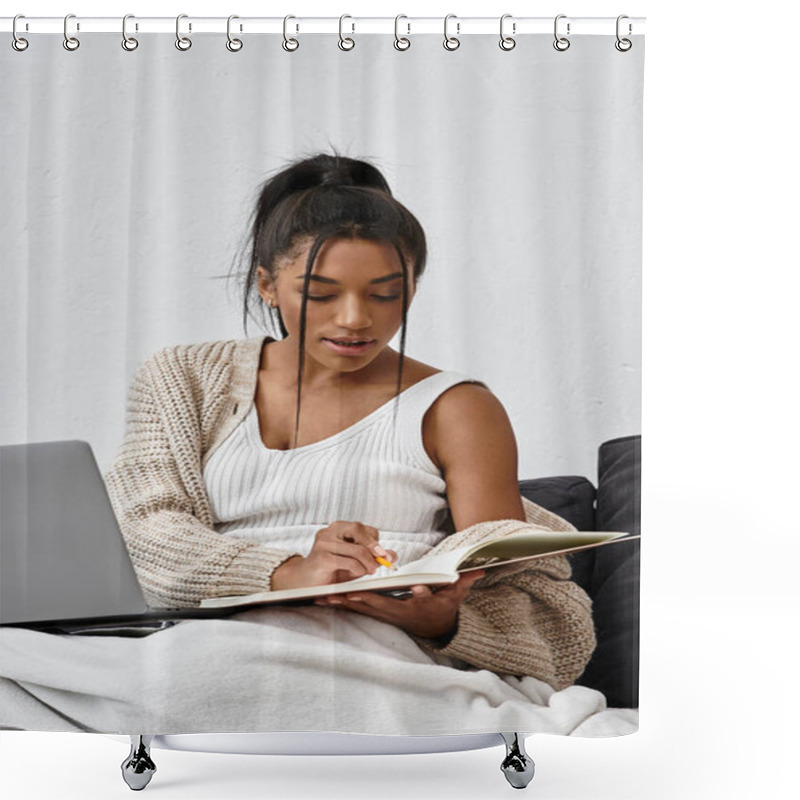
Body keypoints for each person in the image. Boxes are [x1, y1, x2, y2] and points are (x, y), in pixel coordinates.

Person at [1, 153, 599, 735]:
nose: (354, 319)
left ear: (412, 288)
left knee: (197, 677)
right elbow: (143, 532)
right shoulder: (182, 376)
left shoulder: (458, 407)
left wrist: (446, 619)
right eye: (321, 292)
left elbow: (520, 584)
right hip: (213, 631)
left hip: (373, 643)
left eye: (386, 293)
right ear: (267, 284)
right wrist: (288, 571)